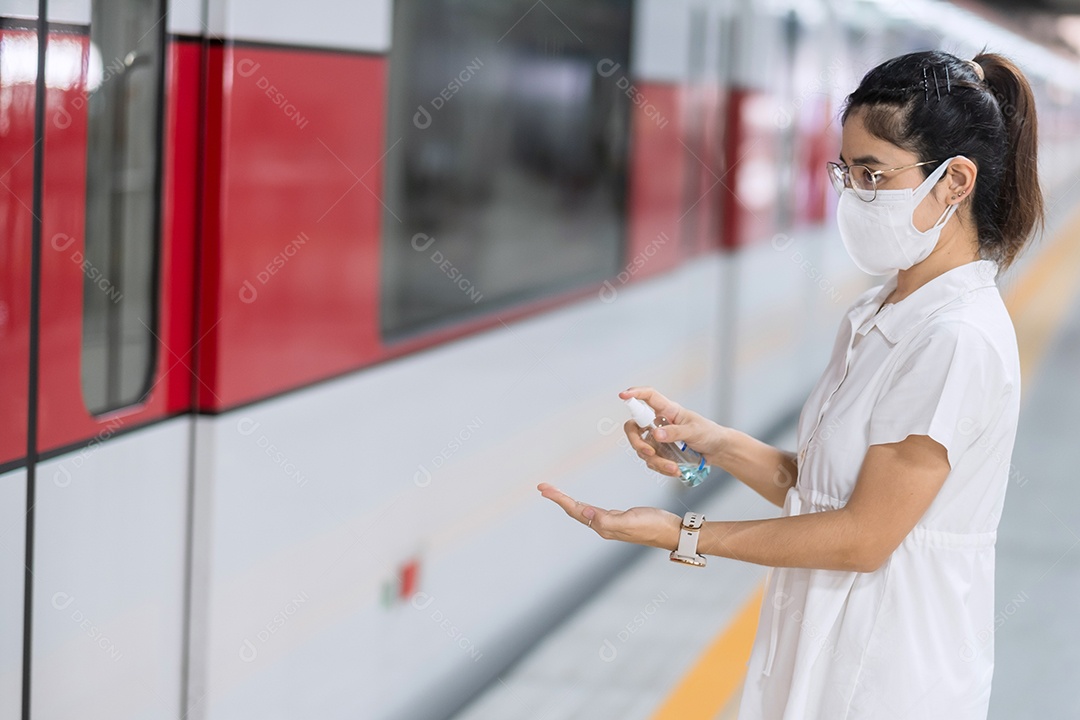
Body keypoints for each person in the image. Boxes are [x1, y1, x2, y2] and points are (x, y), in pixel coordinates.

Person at [538, 49, 1043, 719]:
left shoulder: (956, 340)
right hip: (825, 664)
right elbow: (824, 491)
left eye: (873, 174)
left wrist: (682, 533)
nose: (852, 194)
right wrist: (711, 445)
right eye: (846, 170)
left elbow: (864, 536)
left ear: (953, 183)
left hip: (890, 681)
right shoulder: (879, 314)